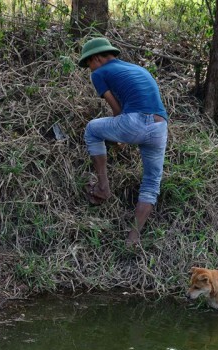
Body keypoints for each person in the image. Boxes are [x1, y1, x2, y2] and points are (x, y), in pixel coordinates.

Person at [78, 37, 168, 246]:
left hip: (134, 121)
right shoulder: (136, 69)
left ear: (97, 58)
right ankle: (133, 237)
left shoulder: (99, 73)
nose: (89, 69)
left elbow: (116, 109)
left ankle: (102, 188)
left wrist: (121, 137)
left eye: (89, 64)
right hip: (160, 125)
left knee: (92, 129)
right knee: (152, 182)